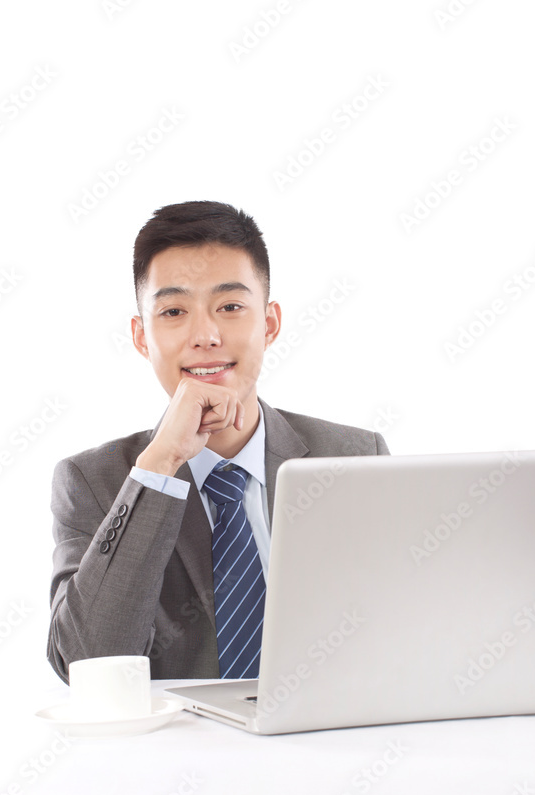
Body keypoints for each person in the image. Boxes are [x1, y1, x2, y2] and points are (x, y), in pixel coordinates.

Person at [47, 201, 389, 683]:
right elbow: (87, 663)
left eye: (230, 307)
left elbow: (399, 634)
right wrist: (160, 465)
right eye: (173, 311)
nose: (205, 335)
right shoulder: (93, 482)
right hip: (176, 754)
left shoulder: (354, 458)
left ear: (269, 324)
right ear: (142, 336)